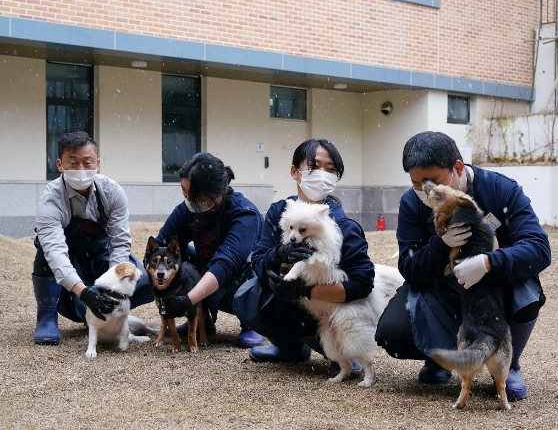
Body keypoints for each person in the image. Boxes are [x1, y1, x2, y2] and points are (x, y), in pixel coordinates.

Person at [375, 131, 551, 400]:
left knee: (527, 287)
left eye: (433, 181)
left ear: (457, 168)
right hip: (444, 286)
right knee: (393, 331)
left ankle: (507, 364)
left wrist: (490, 262)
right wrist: (440, 245)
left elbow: (539, 248)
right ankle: (440, 357)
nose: (426, 190)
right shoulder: (412, 203)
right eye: (416, 183)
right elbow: (409, 267)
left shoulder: (501, 190)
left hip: (494, 290)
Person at [233, 138, 375, 374]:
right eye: (314, 166)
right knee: (248, 294)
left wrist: (306, 291)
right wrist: (278, 255)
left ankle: (346, 354)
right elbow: (257, 262)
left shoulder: (343, 226)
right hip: (287, 301)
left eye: (330, 170)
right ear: (294, 172)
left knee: (323, 310)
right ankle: (289, 347)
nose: (322, 175)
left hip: (330, 305)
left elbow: (362, 283)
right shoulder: (280, 212)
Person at [32, 131, 153, 345]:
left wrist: (113, 288)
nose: (81, 170)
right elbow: (56, 253)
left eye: (87, 163)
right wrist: (85, 293)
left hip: (100, 261)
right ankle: (47, 316)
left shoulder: (112, 192)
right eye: (73, 162)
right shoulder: (50, 200)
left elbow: (119, 243)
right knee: (45, 251)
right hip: (71, 264)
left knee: (142, 276)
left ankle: (109, 312)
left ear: (97, 163)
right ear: (60, 165)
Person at [157, 152, 266, 348]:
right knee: (176, 258)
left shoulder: (244, 214)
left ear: (216, 192)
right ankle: (201, 321)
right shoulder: (187, 210)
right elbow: (160, 246)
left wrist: (187, 300)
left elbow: (226, 263)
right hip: (210, 270)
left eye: (194, 194)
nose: (188, 199)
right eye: (184, 191)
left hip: (240, 277)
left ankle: (253, 321)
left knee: (248, 267)